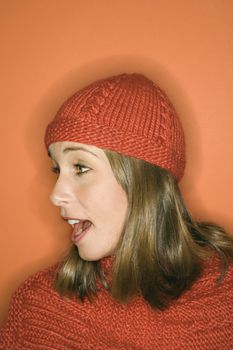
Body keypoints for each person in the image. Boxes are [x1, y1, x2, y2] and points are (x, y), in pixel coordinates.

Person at [1, 73, 233, 350]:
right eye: (57, 170)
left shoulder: (225, 302)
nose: (55, 195)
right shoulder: (39, 310)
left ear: (143, 181)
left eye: (80, 168)